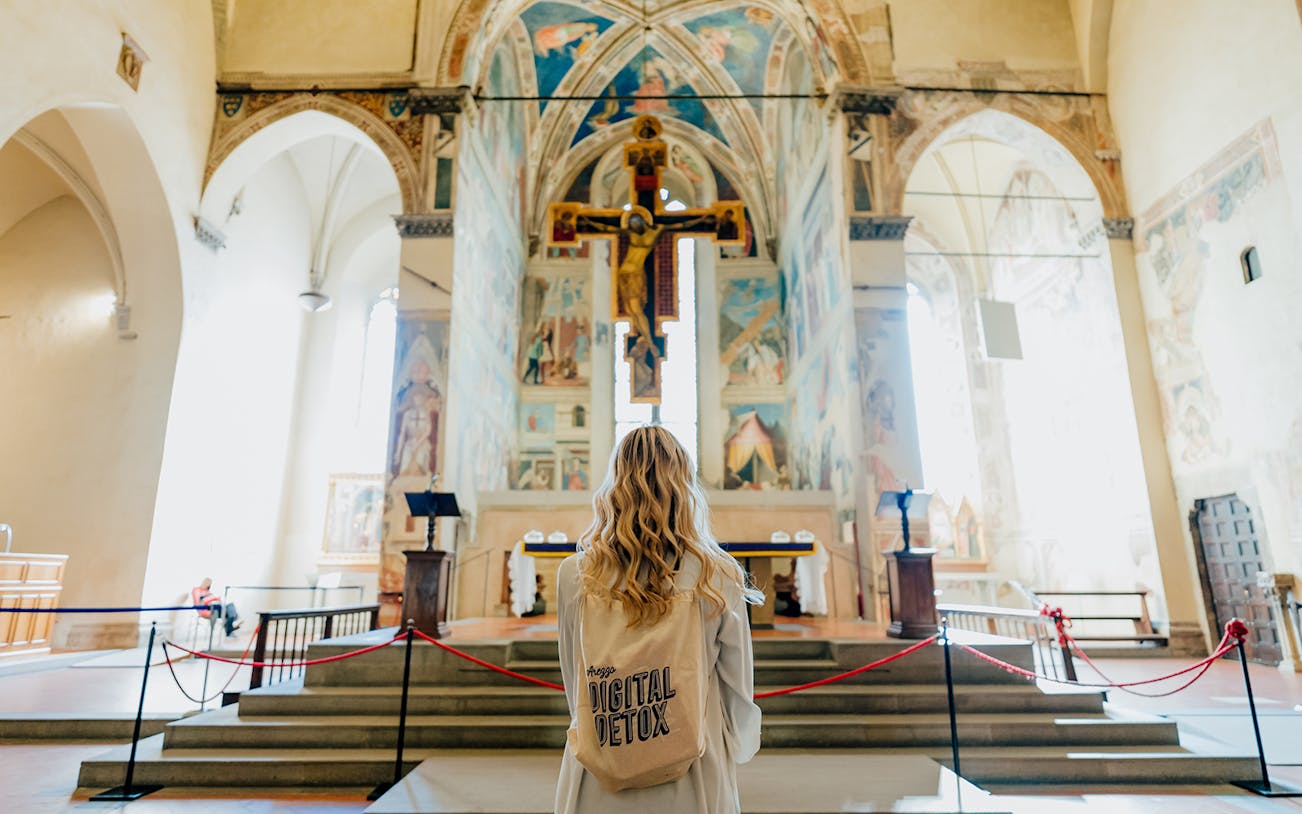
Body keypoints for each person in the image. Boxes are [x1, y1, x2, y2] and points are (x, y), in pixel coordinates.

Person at [555, 425, 763, 813]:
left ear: (615, 483)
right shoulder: (717, 574)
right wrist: (738, 745)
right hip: (693, 763)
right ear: (684, 485)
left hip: (600, 761)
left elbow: (575, 677)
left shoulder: (575, 574)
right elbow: (738, 686)